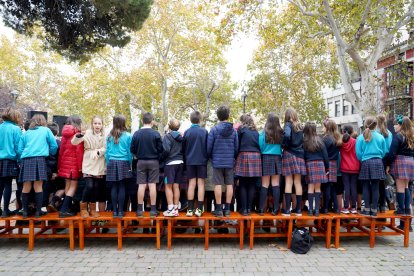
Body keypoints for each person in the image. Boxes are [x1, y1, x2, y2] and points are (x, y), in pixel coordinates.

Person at [18, 114, 58, 218]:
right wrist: (48, 152)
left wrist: (23, 157)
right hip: (40, 159)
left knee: (26, 187)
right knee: (38, 186)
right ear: (43, 121)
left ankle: (25, 212)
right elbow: (54, 146)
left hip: (26, 160)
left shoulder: (26, 133)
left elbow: (19, 149)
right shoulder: (46, 131)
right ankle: (38, 211)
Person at [72, 116, 106, 218]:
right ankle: (83, 207)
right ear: (92, 124)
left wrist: (99, 151)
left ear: (102, 125)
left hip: (99, 162)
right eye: (95, 123)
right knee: (89, 185)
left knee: (96, 187)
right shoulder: (87, 133)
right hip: (89, 162)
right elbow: (74, 142)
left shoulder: (104, 135)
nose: (97, 125)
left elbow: (106, 147)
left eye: (99, 123)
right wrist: (79, 135)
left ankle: (92, 209)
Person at [207, 105, 238, 217]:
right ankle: (228, 209)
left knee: (218, 184)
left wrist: (211, 157)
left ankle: (219, 209)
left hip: (217, 161)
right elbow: (236, 147)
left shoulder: (214, 129)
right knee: (230, 184)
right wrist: (232, 156)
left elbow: (209, 147)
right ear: (228, 115)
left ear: (218, 116)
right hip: (229, 161)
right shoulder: (233, 131)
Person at [131, 112, 163, 218]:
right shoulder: (156, 134)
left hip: (140, 162)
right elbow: (161, 149)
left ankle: (140, 210)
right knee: (152, 185)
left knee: (141, 185)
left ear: (142, 121)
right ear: (152, 121)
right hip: (153, 161)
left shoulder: (136, 133)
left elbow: (132, 149)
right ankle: (153, 210)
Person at [356, 116, 387, 217]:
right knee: (375, 187)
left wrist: (364, 159)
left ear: (365, 125)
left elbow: (358, 153)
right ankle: (374, 210)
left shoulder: (361, 137)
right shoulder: (380, 137)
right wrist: (378, 157)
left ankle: (366, 209)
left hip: (366, 162)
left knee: (365, 187)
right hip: (378, 162)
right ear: (376, 125)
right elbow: (384, 151)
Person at [387, 115, 414, 216]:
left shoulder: (398, 136)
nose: (395, 126)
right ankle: (407, 209)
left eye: (397, 124)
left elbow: (392, 153)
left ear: (401, 125)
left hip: (401, 161)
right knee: (406, 186)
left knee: (400, 187)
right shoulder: (412, 136)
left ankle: (401, 209)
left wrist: (388, 165)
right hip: (410, 162)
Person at [106, 115, 133, 218]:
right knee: (122, 186)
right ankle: (121, 211)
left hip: (112, 162)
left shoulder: (109, 136)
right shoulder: (128, 136)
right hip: (124, 162)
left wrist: (108, 163)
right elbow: (130, 153)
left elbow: (107, 153)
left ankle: (114, 212)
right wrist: (130, 164)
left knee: (114, 186)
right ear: (123, 123)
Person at [235, 113, 262, 216]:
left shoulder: (241, 129)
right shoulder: (256, 131)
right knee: (252, 184)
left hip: (244, 155)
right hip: (256, 156)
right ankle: (249, 209)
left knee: (242, 183)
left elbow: (237, 144)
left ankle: (244, 209)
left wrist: (236, 156)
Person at [183, 111, 208, 217]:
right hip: (202, 160)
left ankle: (190, 209)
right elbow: (208, 147)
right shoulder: (204, 131)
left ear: (190, 119)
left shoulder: (187, 132)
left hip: (190, 161)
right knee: (201, 184)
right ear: (200, 119)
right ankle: (199, 209)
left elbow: (183, 148)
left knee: (192, 184)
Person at [58, 115, 84, 217]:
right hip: (74, 165)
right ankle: (64, 210)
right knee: (73, 187)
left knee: (67, 187)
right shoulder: (77, 135)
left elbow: (61, 151)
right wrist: (80, 167)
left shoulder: (64, 135)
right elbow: (79, 152)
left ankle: (65, 207)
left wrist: (59, 166)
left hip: (64, 163)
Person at [281, 108, 306, 216]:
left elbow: (286, 135)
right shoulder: (300, 126)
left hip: (289, 153)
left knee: (288, 182)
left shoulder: (288, 124)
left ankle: (287, 210)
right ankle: (298, 210)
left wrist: (284, 144)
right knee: (297, 182)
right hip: (300, 155)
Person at [258, 113, 283, 215]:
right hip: (277, 157)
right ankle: (275, 209)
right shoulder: (281, 133)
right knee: (275, 184)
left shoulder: (263, 133)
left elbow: (260, 146)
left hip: (265, 157)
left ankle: (261, 209)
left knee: (264, 184)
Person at [303, 122, 329, 216]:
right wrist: (327, 167)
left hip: (309, 164)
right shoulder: (320, 140)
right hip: (320, 164)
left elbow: (303, 155)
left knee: (310, 187)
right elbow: (325, 155)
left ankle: (310, 210)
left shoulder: (304, 141)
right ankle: (317, 210)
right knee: (318, 188)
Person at [0, 107, 22, 217]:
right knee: (8, 184)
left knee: (0, 185)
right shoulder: (15, 129)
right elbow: (18, 147)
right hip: (10, 159)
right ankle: (5, 210)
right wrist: (20, 160)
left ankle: (1, 210)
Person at [162, 119, 184, 217]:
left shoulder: (167, 136)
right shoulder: (182, 137)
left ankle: (170, 209)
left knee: (168, 186)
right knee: (176, 186)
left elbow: (166, 150)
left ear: (169, 126)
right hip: (180, 162)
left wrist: (161, 157)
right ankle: (175, 209)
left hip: (170, 163)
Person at [322, 119, 342, 214]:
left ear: (327, 127)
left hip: (327, 163)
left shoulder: (326, 139)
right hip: (334, 163)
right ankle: (336, 208)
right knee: (332, 186)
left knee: (326, 186)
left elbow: (324, 153)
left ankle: (325, 207)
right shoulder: (337, 138)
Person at [340, 125, 360, 214]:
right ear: (352, 132)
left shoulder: (341, 143)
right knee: (354, 187)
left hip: (344, 167)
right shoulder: (356, 142)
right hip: (355, 167)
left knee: (346, 187)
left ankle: (345, 207)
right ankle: (353, 207)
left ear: (343, 132)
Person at [376, 114, 393, 212]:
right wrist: (388, 164)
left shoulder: (376, 133)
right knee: (383, 184)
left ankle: (376, 204)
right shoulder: (389, 133)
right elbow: (390, 149)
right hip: (385, 159)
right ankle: (382, 205)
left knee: (375, 184)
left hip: (378, 158)